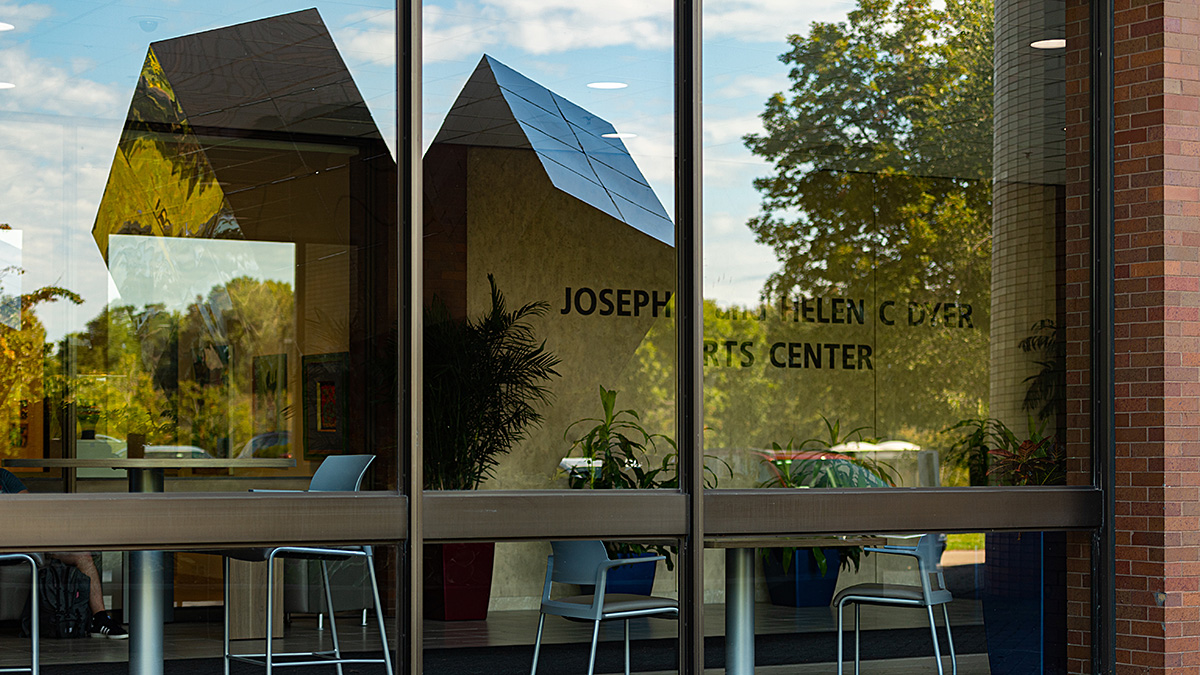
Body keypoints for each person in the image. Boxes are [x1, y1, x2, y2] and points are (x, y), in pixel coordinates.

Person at [0, 468, 128, 639]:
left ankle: (100, 619)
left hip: (24, 542)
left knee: (83, 555)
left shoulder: (3, 476)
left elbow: (26, 506)